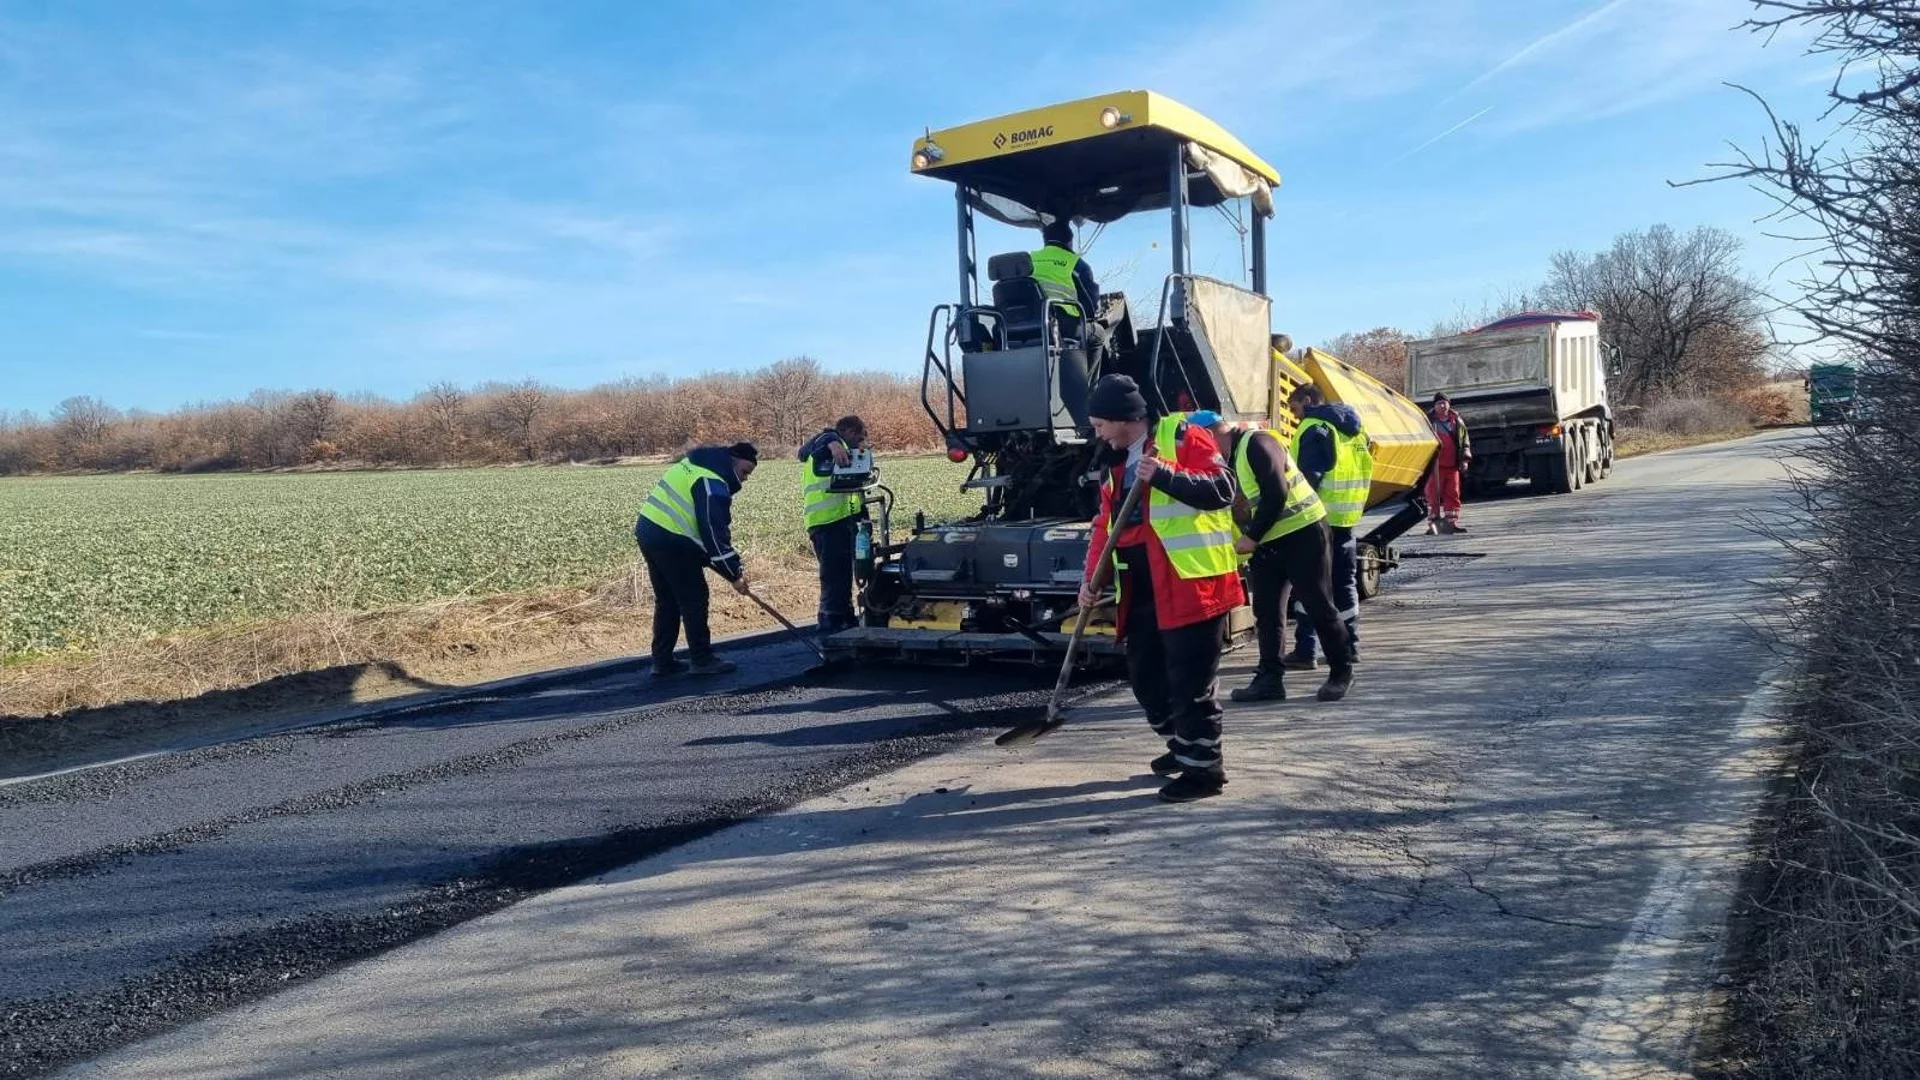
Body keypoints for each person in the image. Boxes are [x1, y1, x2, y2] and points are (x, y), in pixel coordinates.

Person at [1080, 375, 1243, 803]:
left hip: (1191, 582)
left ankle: (1204, 771)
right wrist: (1090, 580)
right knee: (1147, 679)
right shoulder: (1112, 462)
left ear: (1124, 418)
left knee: (1190, 683)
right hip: (1142, 586)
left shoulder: (1182, 435)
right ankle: (1184, 745)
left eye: (1099, 423)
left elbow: (1223, 491)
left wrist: (1167, 475)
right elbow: (1105, 525)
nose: (1095, 432)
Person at [1198, 414, 1355, 705]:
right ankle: (1270, 679)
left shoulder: (1257, 443)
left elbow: (1276, 492)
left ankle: (1341, 671)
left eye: (1202, 441)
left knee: (1318, 603)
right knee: (1267, 612)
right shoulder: (1226, 463)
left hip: (1303, 533)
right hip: (1268, 543)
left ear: (1214, 432)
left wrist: (1252, 537)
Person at [634, 442, 758, 677]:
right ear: (732, 460)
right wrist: (734, 574)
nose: (744, 480)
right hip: (671, 539)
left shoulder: (694, 464)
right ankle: (701, 659)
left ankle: (662, 661)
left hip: (649, 531)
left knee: (668, 599)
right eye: (744, 472)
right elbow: (713, 533)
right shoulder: (712, 482)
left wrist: (727, 570)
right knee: (694, 598)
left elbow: (702, 541)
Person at [1283, 384, 1373, 670]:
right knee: (1344, 582)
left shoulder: (1314, 427)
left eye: (1295, 408)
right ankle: (1351, 644)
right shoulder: (1356, 430)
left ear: (1308, 401)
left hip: (1317, 518)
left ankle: (1306, 649)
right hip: (1347, 518)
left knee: (1309, 584)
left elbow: (1309, 478)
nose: (1295, 416)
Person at [797, 415, 869, 635]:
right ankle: (830, 624)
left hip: (843, 519)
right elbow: (813, 446)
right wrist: (832, 439)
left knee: (843, 574)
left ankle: (845, 618)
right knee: (834, 576)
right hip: (827, 521)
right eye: (859, 435)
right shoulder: (825, 445)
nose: (861, 440)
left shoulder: (838, 448)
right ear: (847, 431)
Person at [1031, 219, 1100, 345]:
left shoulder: (1028, 259)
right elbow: (1090, 308)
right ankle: (1087, 365)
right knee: (1098, 334)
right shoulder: (1077, 264)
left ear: (1045, 241)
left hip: (1027, 323)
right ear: (1070, 241)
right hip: (1063, 325)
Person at [1426, 393, 1472, 534]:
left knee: (1452, 494)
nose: (1442, 405)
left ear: (1449, 404)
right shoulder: (1427, 421)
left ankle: (1451, 523)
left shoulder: (1457, 421)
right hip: (1434, 467)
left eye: (1444, 403)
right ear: (1434, 406)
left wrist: (1464, 460)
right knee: (1432, 496)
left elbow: (1465, 441)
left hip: (1452, 466)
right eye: (1439, 403)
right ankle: (1433, 525)